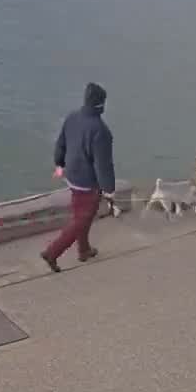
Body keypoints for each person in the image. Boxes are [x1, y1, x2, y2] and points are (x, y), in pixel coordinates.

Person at [43, 82, 116, 272]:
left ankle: (84, 250)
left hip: (71, 175)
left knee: (81, 216)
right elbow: (103, 165)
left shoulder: (72, 117)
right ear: (101, 104)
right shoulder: (101, 131)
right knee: (82, 219)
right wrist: (108, 190)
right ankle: (52, 252)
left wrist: (59, 163)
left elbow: (61, 144)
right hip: (87, 183)